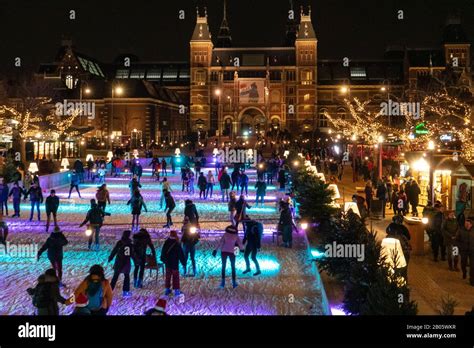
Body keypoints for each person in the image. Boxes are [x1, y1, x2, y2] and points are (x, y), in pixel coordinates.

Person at [108, 230, 134, 297]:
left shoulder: (120, 242)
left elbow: (115, 250)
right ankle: (125, 292)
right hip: (126, 261)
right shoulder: (130, 244)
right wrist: (136, 260)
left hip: (119, 261)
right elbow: (132, 254)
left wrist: (111, 257)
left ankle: (109, 291)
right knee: (126, 276)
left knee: (115, 276)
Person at [160, 230, 185, 296]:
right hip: (174, 263)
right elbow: (180, 254)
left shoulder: (166, 242)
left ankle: (167, 290)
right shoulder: (177, 243)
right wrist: (183, 262)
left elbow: (163, 252)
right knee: (175, 277)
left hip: (168, 263)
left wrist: (164, 260)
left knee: (168, 277)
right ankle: (176, 290)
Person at [456, 217, 474, 284]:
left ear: (471, 224)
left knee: (472, 266)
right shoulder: (460, 230)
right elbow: (456, 240)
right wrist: (460, 247)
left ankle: (472, 280)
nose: (466, 225)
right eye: (465, 223)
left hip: (472, 250)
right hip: (464, 250)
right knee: (463, 263)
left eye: (468, 224)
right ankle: (464, 272)